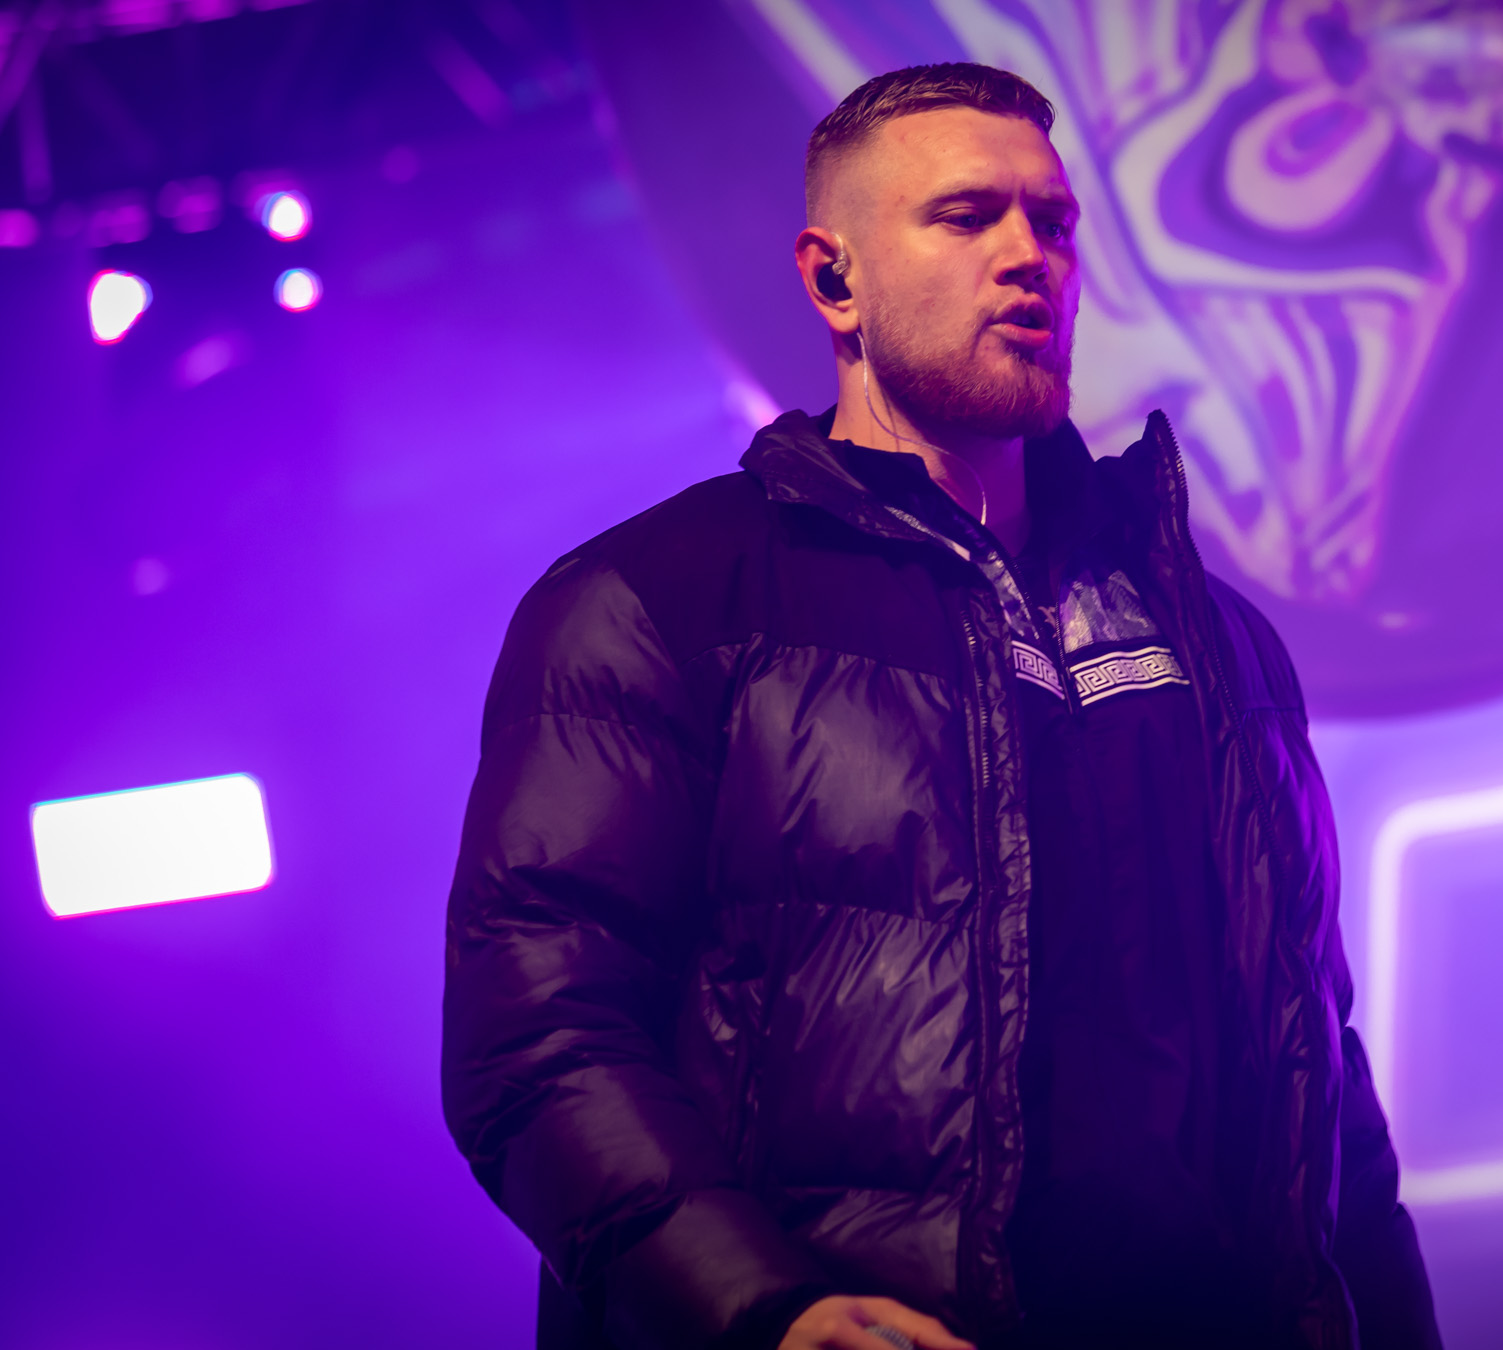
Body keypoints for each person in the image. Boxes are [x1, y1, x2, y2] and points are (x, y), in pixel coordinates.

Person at [442, 62, 1439, 1350]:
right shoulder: (656, 602)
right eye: (968, 217)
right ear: (834, 281)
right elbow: (541, 1032)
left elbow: (1317, 1073)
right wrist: (766, 1310)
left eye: (1054, 222)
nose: (1031, 257)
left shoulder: (1216, 636)